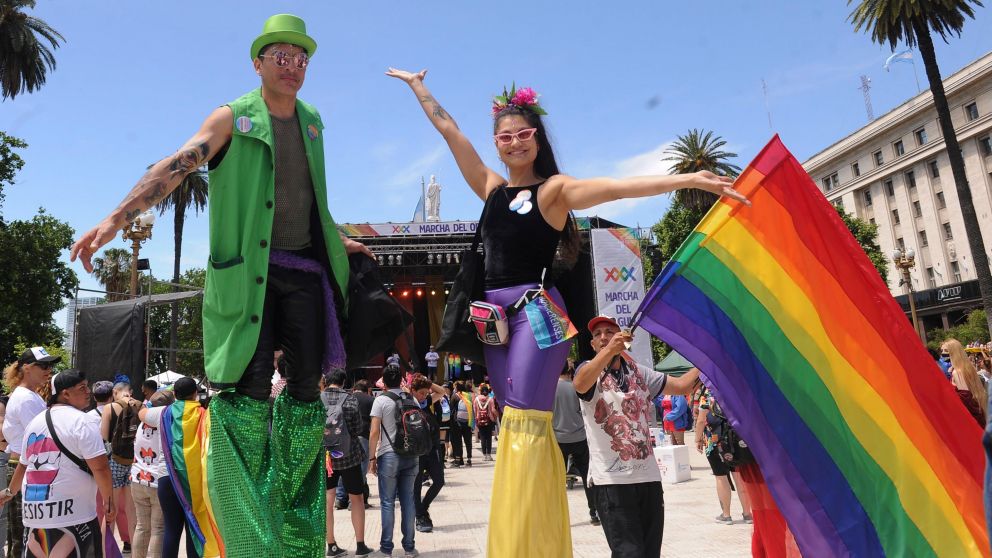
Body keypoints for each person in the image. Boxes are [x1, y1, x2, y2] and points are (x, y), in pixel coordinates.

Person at [386, 68, 746, 556]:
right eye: (504, 137)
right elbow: (450, 130)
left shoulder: (553, 192)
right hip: (492, 316)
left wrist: (688, 177)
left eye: (523, 135)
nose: (513, 143)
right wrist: (418, 87)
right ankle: (523, 537)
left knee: (527, 421)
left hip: (539, 312)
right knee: (514, 415)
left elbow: (616, 188)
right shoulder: (491, 189)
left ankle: (529, 544)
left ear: (537, 139)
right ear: (496, 143)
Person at [69, 14, 373, 556]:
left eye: (301, 58)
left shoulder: (313, 122)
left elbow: (310, 197)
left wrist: (336, 239)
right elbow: (179, 164)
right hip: (248, 275)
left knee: (306, 391)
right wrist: (116, 218)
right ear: (257, 63)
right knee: (248, 391)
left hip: (305, 269)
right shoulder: (233, 116)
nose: (293, 67)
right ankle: (248, 527)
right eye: (281, 56)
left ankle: (293, 526)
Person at [573, 316, 704, 557]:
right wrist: (610, 350)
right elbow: (580, 385)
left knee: (650, 552)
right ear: (592, 344)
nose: (603, 337)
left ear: (622, 339)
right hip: (612, 482)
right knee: (629, 553)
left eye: (609, 332)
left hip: (648, 478)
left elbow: (684, 386)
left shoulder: (638, 372)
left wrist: (707, 359)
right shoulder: (588, 370)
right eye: (597, 334)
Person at [0, 369, 115, 558]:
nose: (88, 392)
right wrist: (109, 503)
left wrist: (9, 492)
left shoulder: (35, 422)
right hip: (74, 516)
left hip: (35, 517)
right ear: (65, 394)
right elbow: (100, 467)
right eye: (82, 388)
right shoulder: (83, 421)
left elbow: (23, 464)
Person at [2, 347, 56, 557]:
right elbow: (43, 438)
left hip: (23, 467)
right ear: (26, 368)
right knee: (24, 536)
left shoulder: (28, 396)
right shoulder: (26, 398)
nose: (48, 370)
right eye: (43, 366)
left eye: (49, 365)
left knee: (21, 535)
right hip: (24, 469)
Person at [368, 364, 419, 557]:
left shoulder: (380, 401)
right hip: (411, 454)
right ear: (400, 380)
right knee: (408, 501)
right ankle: (409, 547)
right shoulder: (411, 398)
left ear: (384, 380)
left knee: (388, 502)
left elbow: (374, 432)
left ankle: (386, 549)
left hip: (389, 455)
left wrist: (372, 457)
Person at [321, 369, 372, 557]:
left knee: (328, 499)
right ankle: (360, 545)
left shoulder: (317, 400)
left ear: (326, 382)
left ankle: (332, 545)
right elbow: (358, 428)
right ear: (344, 382)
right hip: (349, 455)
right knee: (356, 498)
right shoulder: (350, 399)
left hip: (326, 458)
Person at [156, 377, 208, 558]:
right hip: (193, 480)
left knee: (171, 529)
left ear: (175, 394)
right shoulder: (204, 414)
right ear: (195, 393)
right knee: (194, 528)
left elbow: (141, 412)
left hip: (166, 477)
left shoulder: (163, 413)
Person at [695, 386, 753, 526]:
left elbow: (701, 420)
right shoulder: (733, 389)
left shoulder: (708, 394)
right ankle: (747, 513)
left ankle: (726, 515)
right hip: (735, 442)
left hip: (715, 442)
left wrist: (697, 439)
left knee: (721, 477)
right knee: (739, 477)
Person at [552, 364, 598, 525]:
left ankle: (557, 516)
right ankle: (594, 512)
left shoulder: (550, 390)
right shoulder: (577, 387)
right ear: (570, 372)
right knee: (587, 477)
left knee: (557, 479)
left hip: (558, 439)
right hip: (580, 437)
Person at [131, 390, 174, 558]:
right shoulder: (167, 423)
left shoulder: (142, 424)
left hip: (137, 480)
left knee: (142, 526)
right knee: (158, 529)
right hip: (158, 482)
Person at [101, 382, 141, 546]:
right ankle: (136, 553)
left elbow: (103, 438)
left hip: (115, 462)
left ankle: (106, 551)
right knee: (133, 512)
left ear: (115, 392)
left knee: (111, 510)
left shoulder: (109, 408)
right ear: (130, 392)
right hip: (134, 462)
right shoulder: (140, 406)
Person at [409, 375, 446, 533]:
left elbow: (442, 391)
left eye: (426, 393)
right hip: (416, 450)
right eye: (421, 393)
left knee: (439, 481)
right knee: (416, 486)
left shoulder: (427, 401)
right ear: (413, 391)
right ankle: (420, 517)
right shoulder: (408, 403)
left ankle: (423, 508)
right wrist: (411, 388)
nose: (424, 396)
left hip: (432, 448)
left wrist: (427, 383)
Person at [336, 380, 374, 510]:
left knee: (343, 468)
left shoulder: (346, 398)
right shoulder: (370, 400)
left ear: (353, 389)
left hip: (344, 437)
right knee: (361, 470)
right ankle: (355, 501)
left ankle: (341, 499)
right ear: (366, 390)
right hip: (363, 435)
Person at [942, 339, 989, 426]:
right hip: (977, 412)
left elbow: (966, 397)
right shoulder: (966, 368)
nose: (943, 354)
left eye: (946, 351)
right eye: (942, 351)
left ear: (953, 352)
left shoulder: (957, 371)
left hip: (970, 418)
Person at [450, 381, 474, 468]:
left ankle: (458, 460)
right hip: (467, 422)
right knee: (468, 441)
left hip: (457, 422)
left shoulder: (454, 396)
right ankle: (469, 459)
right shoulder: (468, 396)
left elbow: (451, 409)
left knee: (458, 441)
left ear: (457, 387)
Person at [473, 385, 498, 461]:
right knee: (489, 438)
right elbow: (493, 410)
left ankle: (484, 455)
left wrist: (476, 419)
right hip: (489, 420)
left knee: (483, 438)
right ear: (488, 391)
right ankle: (489, 455)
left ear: (480, 391)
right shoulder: (490, 399)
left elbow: (474, 410)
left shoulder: (476, 399)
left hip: (479, 420)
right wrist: (496, 416)